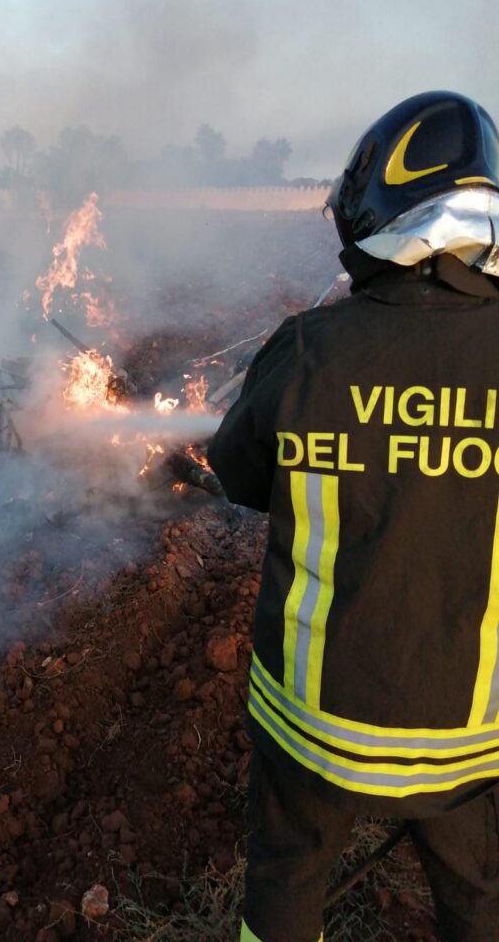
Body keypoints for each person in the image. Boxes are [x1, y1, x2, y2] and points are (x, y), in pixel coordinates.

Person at [208, 90, 499, 942]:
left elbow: (237, 475)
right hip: (465, 739)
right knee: (477, 899)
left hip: (313, 732)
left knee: (286, 884)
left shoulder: (310, 348)